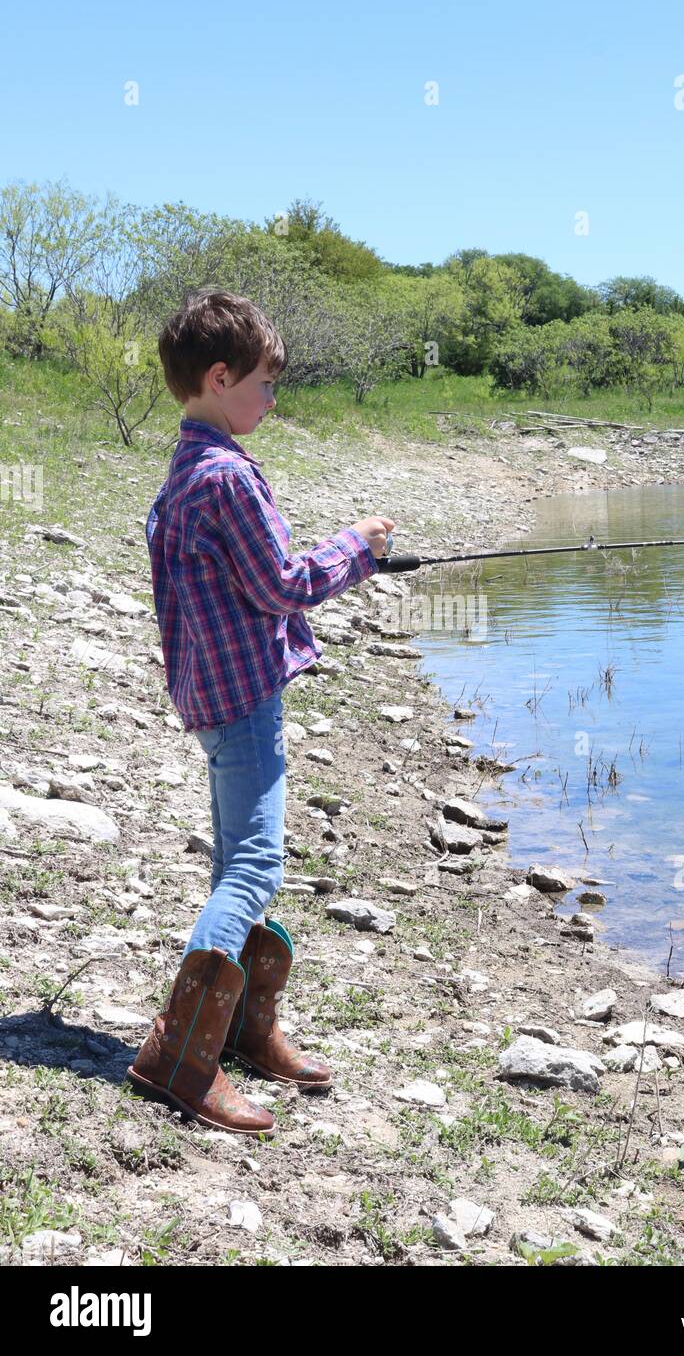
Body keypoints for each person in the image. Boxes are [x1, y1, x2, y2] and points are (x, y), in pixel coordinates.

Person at [126, 286, 395, 1137]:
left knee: (234, 865)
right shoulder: (229, 477)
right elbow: (283, 585)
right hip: (242, 703)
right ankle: (180, 1056)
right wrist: (358, 547)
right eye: (266, 384)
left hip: (208, 697)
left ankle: (241, 1027)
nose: (273, 400)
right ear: (218, 376)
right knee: (253, 867)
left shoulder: (184, 469)